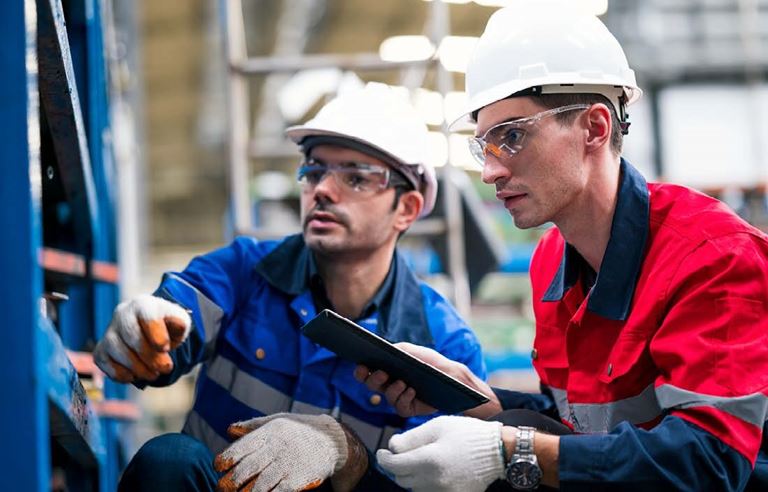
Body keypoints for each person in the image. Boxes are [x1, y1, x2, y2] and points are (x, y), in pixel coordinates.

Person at [355, 3, 768, 491]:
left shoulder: (714, 257)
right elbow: (582, 429)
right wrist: (477, 399)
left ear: (595, 128)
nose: (490, 171)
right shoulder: (550, 262)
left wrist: (510, 450)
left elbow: (709, 463)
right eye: (483, 145)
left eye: (511, 136)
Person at [93, 82, 487, 491]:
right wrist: (150, 327)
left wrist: (349, 457)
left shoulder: (444, 347)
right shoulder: (245, 270)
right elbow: (181, 315)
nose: (322, 190)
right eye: (314, 171)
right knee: (169, 459)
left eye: (355, 178)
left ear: (406, 209)